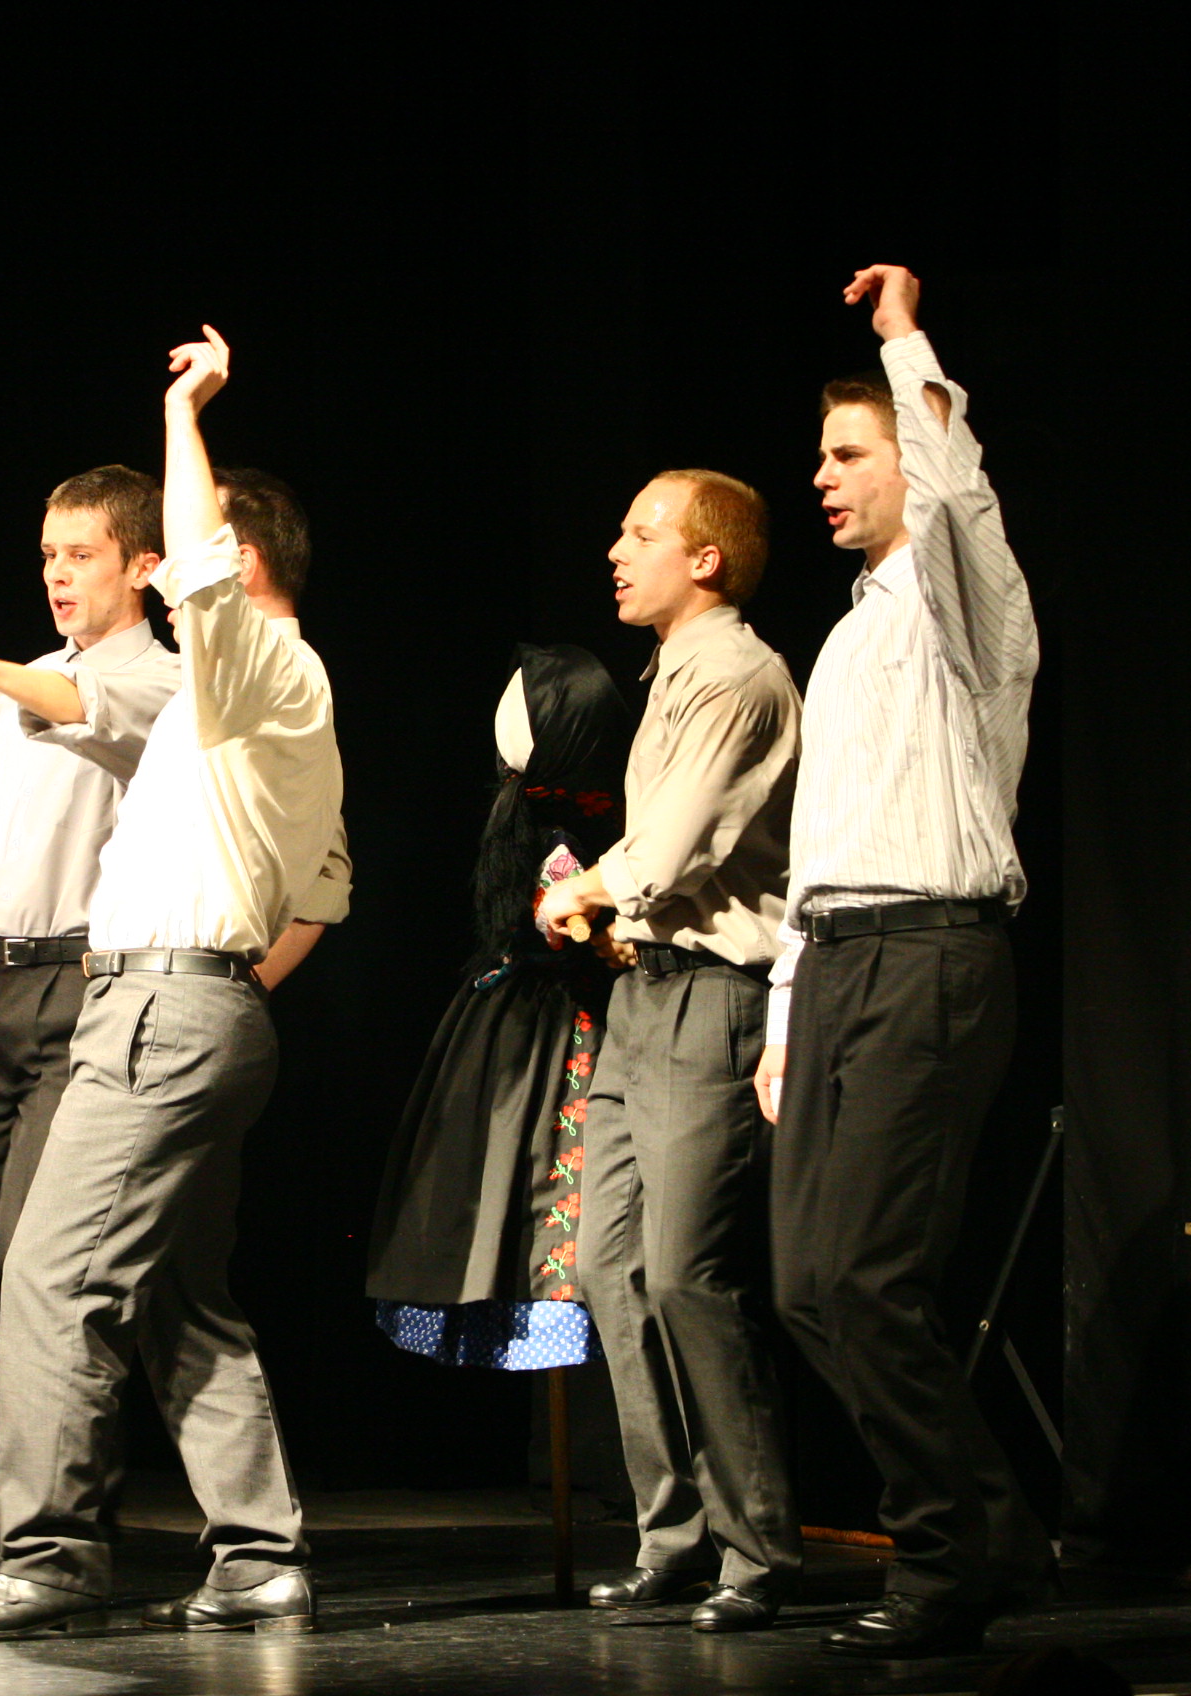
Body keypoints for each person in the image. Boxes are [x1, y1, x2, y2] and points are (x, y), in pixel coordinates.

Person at [0, 327, 350, 1639]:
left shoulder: (261, 663)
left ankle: (50, 1554)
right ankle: (260, 1551)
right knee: (175, 1292)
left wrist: (184, 413)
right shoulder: (238, 705)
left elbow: (201, 569)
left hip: (166, 1009)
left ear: (239, 559)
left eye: (184, 545)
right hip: (186, 1006)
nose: (166, 566)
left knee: (49, 1274)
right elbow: (326, 885)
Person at [755, 264, 1047, 1657]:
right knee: (809, 1284)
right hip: (838, 962)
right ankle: (992, 1531)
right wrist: (783, 1011)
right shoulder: (847, 635)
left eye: (848, 452)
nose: (823, 476)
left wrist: (904, 347)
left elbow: (958, 495)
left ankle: (944, 1562)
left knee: (870, 1279)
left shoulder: (960, 606)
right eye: (820, 455)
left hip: (931, 951)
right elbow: (819, 844)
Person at [0, 465, 182, 1602]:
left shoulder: (167, 682)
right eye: (48, 554)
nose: (57, 574)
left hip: (85, 990)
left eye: (81, 554)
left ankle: (63, 1530)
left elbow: (84, 707)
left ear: (143, 565)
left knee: (36, 1265)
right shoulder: (18, 687)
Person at [532, 471, 803, 1631]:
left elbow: (677, 845)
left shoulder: (737, 674)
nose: (616, 549)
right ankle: (672, 1534)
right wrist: (605, 910)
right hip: (645, 995)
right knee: (610, 1267)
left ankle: (759, 1547)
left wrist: (589, 888)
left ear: (705, 560)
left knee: (691, 1272)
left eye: (641, 533)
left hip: (711, 999)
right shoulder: (672, 674)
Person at [364, 645, 627, 1374]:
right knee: (535, 1182)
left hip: (542, 1018)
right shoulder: (553, 832)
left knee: (552, 1185)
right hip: (545, 1021)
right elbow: (556, 917)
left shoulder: (569, 821)